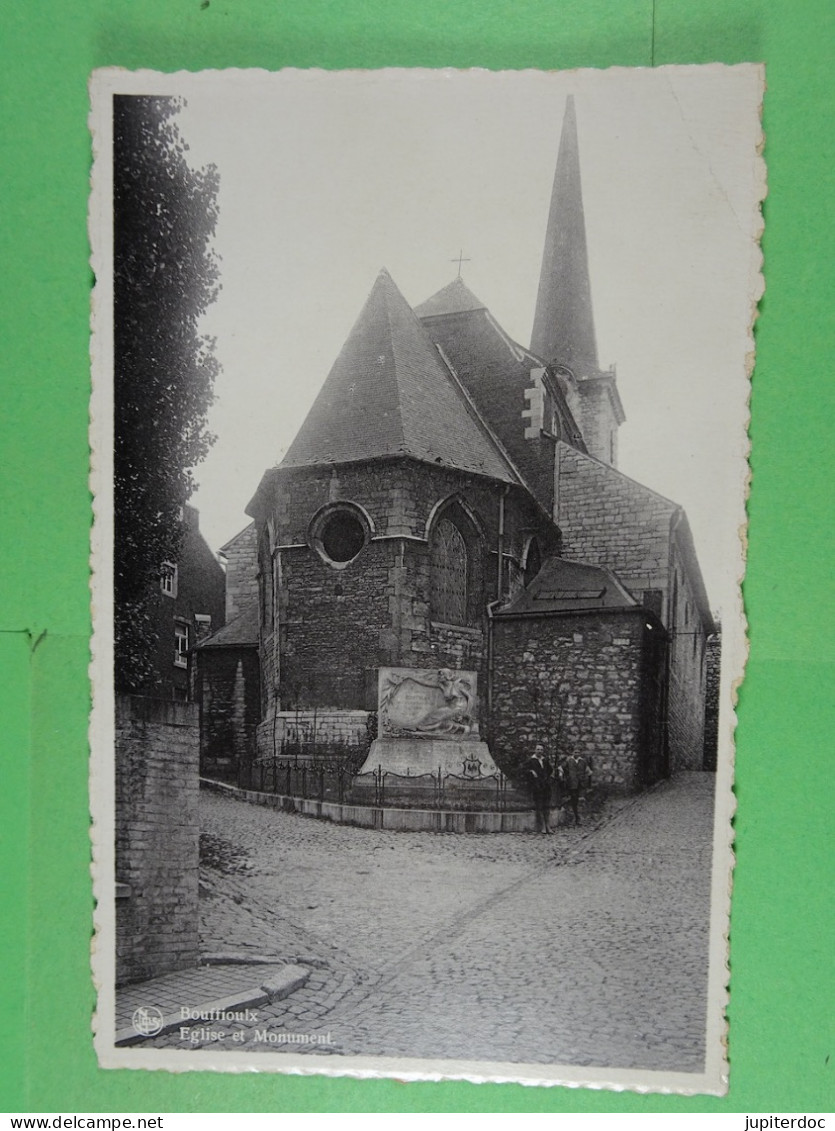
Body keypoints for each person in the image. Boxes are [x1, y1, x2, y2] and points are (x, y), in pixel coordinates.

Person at [523, 743, 553, 833]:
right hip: (537, 786)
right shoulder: (531, 760)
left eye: (541, 750)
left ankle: (548, 826)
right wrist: (531, 771)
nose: (540, 751)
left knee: (546, 806)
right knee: (539, 806)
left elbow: (550, 770)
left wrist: (546, 778)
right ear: (535, 750)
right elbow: (523, 770)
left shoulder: (545, 760)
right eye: (538, 749)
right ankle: (543, 826)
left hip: (545, 786)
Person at [560, 748, 592, 826]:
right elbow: (561, 768)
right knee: (573, 798)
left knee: (580, 799)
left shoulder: (583, 761)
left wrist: (585, 779)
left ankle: (579, 818)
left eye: (578, 752)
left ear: (580, 753)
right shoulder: (568, 761)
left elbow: (589, 771)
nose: (576, 754)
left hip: (580, 784)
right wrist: (562, 775)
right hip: (572, 783)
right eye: (575, 752)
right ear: (572, 753)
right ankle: (575, 817)